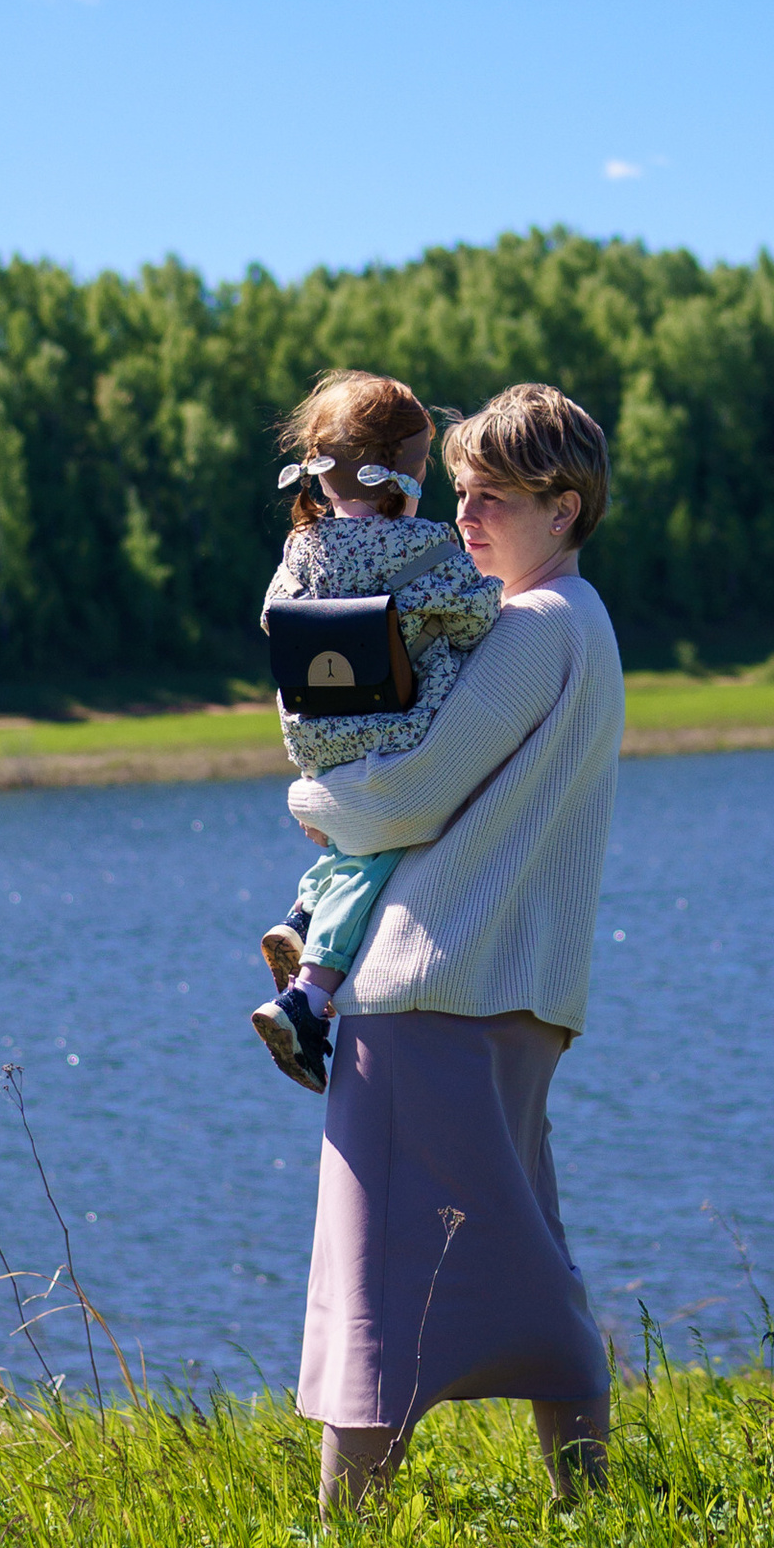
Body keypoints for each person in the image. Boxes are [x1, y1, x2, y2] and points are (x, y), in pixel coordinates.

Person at [286, 382, 624, 1511]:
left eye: (491, 499)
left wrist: (309, 795)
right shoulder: (592, 623)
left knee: (373, 1282)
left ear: (564, 506)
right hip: (522, 993)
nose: (464, 519)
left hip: (427, 985)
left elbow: (406, 798)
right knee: (531, 1256)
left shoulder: (534, 627)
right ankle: (586, 1512)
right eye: (460, 492)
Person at [249, 371, 499, 1092]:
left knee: (355, 843)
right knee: (389, 846)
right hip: (396, 734)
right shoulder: (429, 546)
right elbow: (480, 617)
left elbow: (275, 618)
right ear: (411, 472)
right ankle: (309, 996)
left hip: (315, 736)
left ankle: (302, 911)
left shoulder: (304, 548)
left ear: (321, 470)